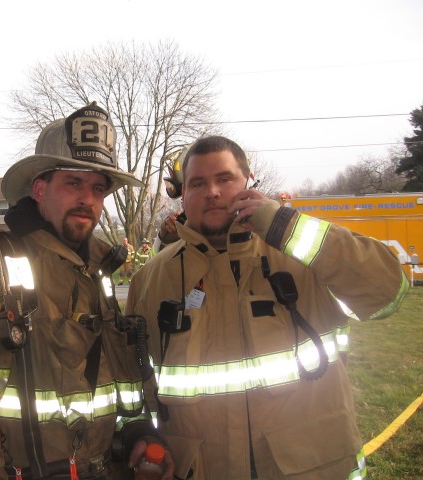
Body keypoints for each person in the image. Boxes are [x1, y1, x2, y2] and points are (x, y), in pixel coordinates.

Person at [126, 135, 408, 479]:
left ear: (248, 182)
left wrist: (284, 226)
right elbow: (133, 384)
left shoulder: (303, 254)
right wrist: (144, 439)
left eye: (224, 179)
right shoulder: (150, 281)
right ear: (183, 195)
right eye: (198, 183)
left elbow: (387, 293)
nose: (212, 191)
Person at [0, 103, 174, 480]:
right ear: (39, 189)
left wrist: (135, 433)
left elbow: (112, 381)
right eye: (74, 183)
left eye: (98, 188)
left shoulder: (97, 276)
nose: (88, 199)